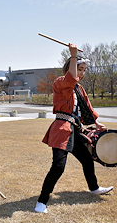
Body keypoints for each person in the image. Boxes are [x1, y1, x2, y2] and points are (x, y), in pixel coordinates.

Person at [34, 43, 113, 213]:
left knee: (86, 159)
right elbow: (70, 78)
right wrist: (73, 55)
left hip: (75, 130)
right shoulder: (60, 82)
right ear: (71, 67)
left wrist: (95, 123)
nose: (82, 73)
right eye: (80, 68)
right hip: (61, 129)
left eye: (84, 69)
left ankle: (94, 188)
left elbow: (87, 108)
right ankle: (41, 202)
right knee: (58, 167)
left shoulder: (80, 89)